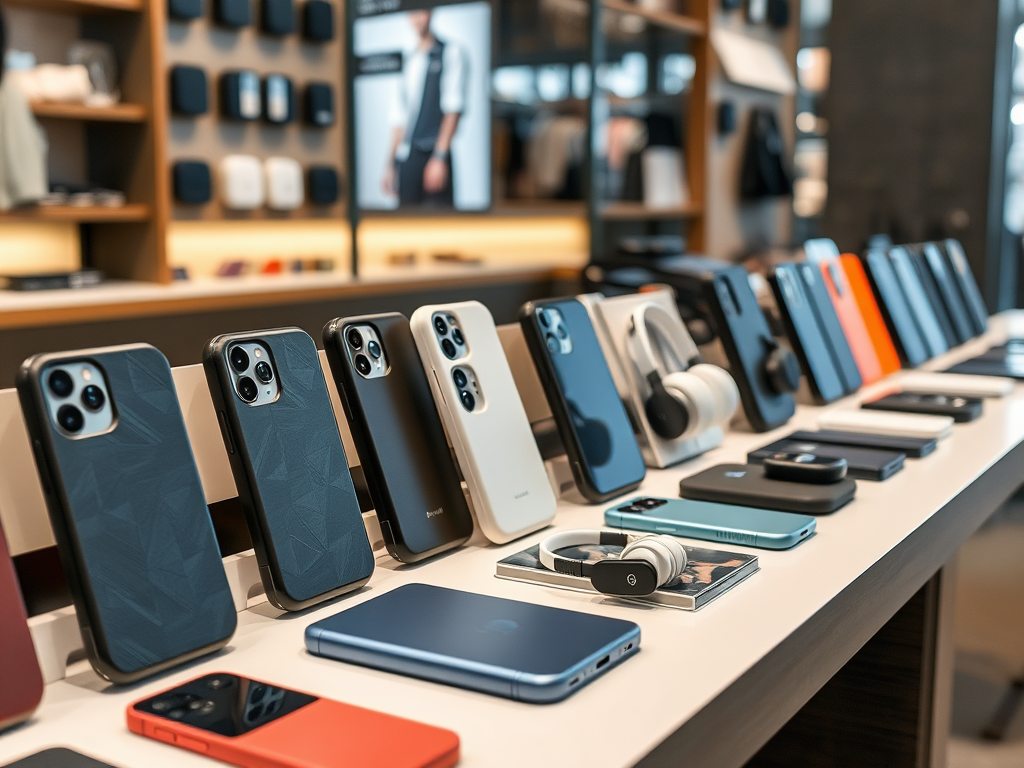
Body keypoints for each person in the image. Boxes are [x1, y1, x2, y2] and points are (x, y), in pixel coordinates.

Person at [382, 10, 468, 208]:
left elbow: (452, 109)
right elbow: (400, 117)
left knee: (439, 221)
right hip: (408, 155)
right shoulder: (407, 59)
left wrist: (439, 157)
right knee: (405, 220)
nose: (418, 18)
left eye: (421, 11)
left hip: (433, 152)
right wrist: (391, 164)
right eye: (412, 13)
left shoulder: (450, 52)